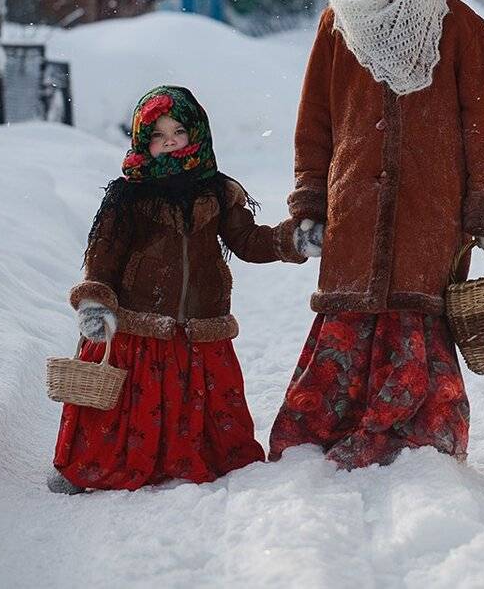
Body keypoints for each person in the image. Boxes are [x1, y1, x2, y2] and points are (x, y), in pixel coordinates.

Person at [269, 0, 484, 469]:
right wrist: (309, 202)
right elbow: (316, 121)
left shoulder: (462, 27)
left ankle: (414, 435)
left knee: (416, 319)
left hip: (430, 208)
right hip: (353, 204)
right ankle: (331, 429)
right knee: (349, 318)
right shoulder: (337, 21)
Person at [49, 85, 307, 493]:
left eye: (178, 132)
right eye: (157, 134)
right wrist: (95, 301)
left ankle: (191, 456)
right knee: (126, 408)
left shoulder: (217, 192)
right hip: (140, 328)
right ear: (141, 139)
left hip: (201, 324)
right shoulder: (128, 196)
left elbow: (248, 240)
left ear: (197, 134)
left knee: (210, 417)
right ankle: (92, 462)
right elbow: (104, 255)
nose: (168, 141)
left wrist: (290, 241)